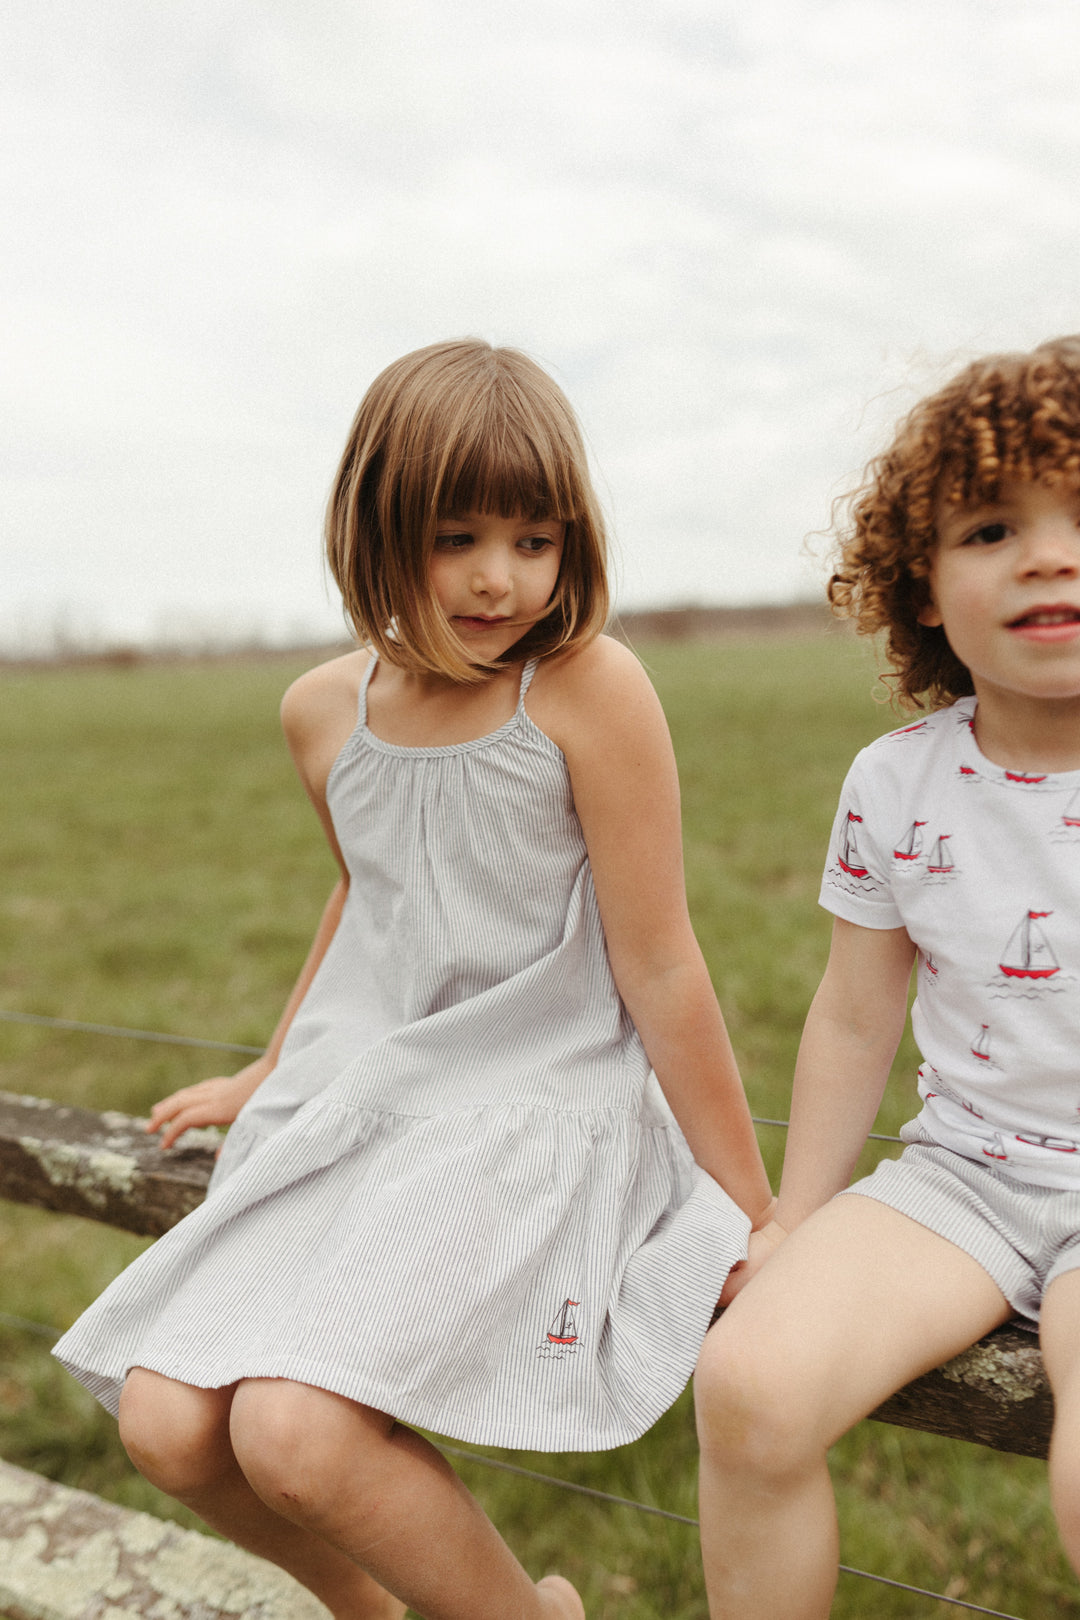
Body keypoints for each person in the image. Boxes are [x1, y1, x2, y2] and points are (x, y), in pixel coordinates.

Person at [53, 339, 772, 1620]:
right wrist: (272, 1067)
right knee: (167, 1426)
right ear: (378, 525)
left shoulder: (586, 690)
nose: (502, 576)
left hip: (526, 1103)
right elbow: (363, 899)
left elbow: (661, 962)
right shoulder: (322, 711)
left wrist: (750, 1209)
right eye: (457, 537)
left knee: (294, 1435)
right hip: (367, 1098)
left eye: (535, 538)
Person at [695, 334, 1080, 1618]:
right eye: (989, 528)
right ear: (919, 586)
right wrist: (798, 1215)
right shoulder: (898, 782)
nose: (1047, 553)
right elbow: (857, 1012)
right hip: (963, 1178)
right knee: (749, 1388)